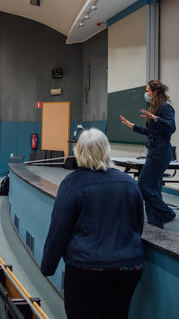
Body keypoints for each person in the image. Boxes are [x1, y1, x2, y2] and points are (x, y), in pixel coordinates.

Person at [41, 128, 144, 319]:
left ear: (78, 152)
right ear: (106, 150)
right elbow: (138, 225)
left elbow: (59, 230)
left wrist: (48, 266)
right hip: (127, 268)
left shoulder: (71, 184)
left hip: (85, 268)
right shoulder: (129, 183)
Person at [120, 80, 177, 228]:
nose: (146, 93)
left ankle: (167, 214)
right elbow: (151, 131)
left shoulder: (165, 108)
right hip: (154, 150)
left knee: (144, 186)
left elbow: (171, 127)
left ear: (155, 92)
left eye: (147, 90)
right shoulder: (155, 107)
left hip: (161, 152)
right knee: (153, 188)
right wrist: (132, 126)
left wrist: (156, 118)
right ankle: (155, 223)